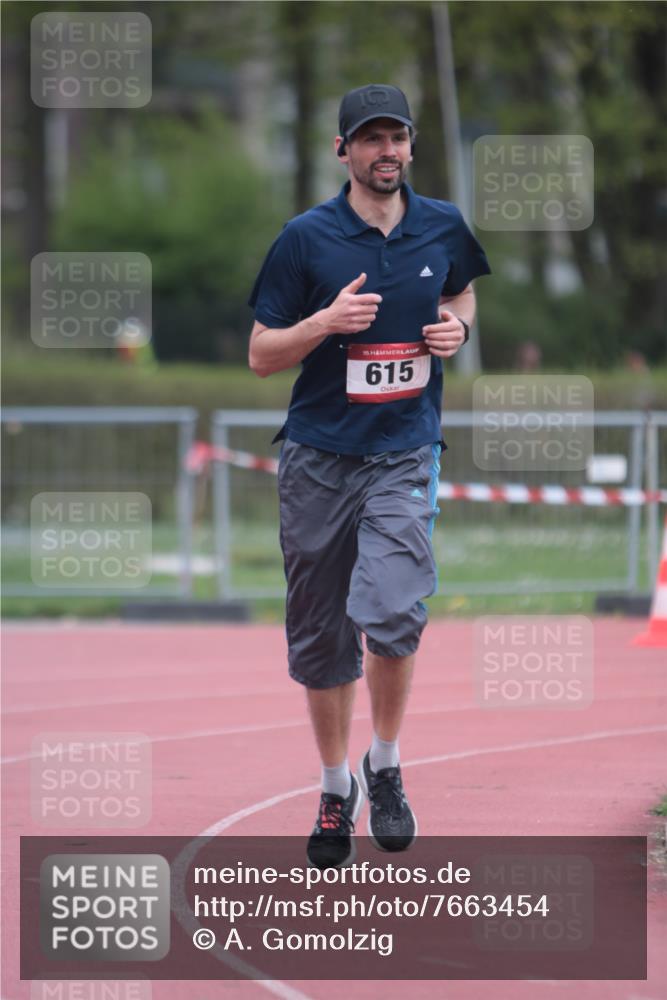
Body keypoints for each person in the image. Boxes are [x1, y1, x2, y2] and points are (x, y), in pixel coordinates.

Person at [248, 84, 491, 868]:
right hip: (319, 455)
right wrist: (323, 324)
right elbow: (259, 355)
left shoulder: (442, 224)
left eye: (397, 138)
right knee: (321, 635)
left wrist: (455, 326)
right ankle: (333, 786)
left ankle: (384, 763)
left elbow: (461, 292)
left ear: (411, 146)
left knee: (390, 609)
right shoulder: (305, 239)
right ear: (342, 151)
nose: (386, 151)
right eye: (370, 139)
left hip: (404, 450)